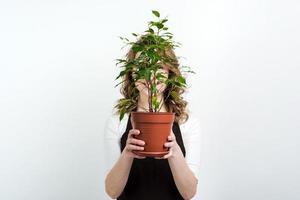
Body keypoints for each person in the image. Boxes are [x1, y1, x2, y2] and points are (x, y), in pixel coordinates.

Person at [104, 39, 202, 200]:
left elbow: (189, 192)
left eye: (158, 67)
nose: (150, 75)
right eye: (142, 67)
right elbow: (112, 191)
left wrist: (175, 152)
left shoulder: (187, 123)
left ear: (170, 72)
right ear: (131, 72)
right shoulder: (118, 121)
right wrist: (127, 155)